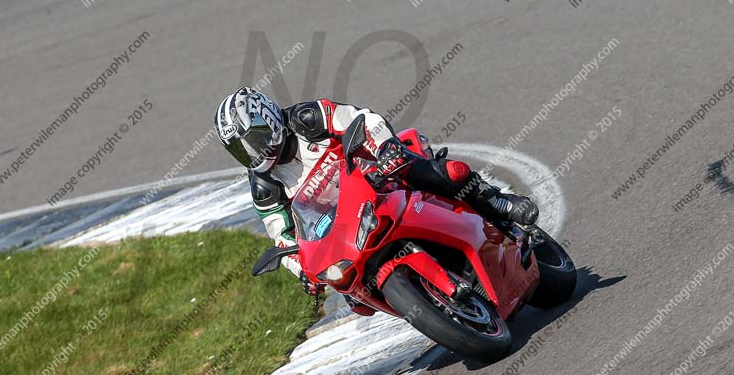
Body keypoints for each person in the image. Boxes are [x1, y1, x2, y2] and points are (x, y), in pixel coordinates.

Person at [214, 86, 538, 297]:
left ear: (268, 119)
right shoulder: (265, 185)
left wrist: (385, 149)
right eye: (241, 149)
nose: (252, 152)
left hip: (380, 176)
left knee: (440, 173)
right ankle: (427, 300)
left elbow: (360, 119)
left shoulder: (306, 118)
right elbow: (283, 236)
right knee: (349, 288)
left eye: (253, 139)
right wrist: (302, 271)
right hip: (344, 225)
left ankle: (498, 203)